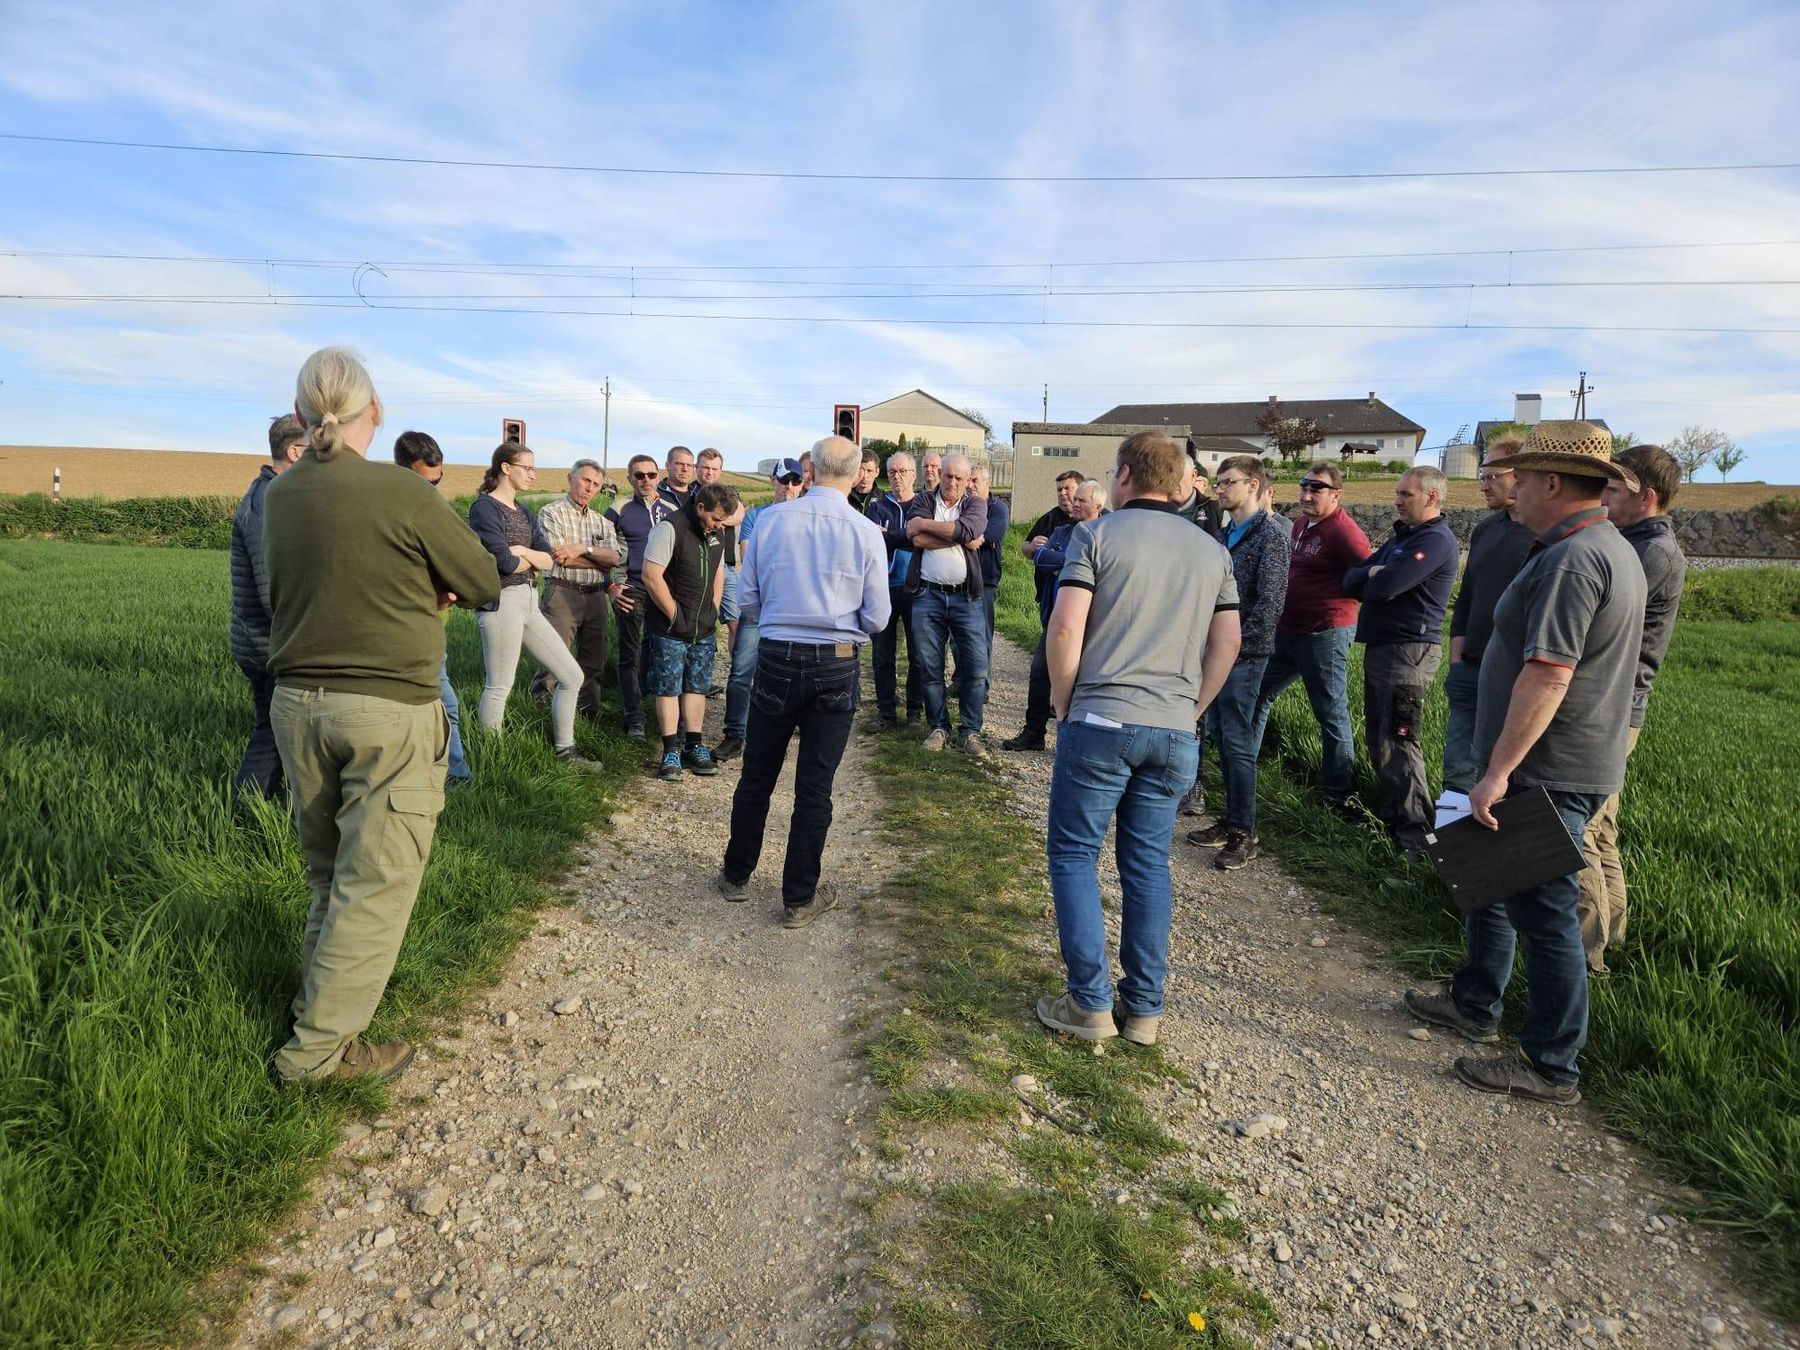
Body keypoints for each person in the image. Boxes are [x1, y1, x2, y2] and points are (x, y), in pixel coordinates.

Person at [263, 346, 500, 1084]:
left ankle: (317, 1010)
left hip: (298, 705)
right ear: (378, 414)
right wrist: (432, 584)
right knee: (376, 887)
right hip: (387, 709)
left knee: (330, 876)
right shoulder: (401, 492)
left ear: (301, 416)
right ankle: (315, 1056)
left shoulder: (279, 493)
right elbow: (483, 578)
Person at [1405, 422, 1645, 1105]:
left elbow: (1548, 673)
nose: (1512, 490)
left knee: (1545, 913)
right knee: (1490, 882)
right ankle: (1475, 1004)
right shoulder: (1596, 546)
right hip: (1554, 761)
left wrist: (1497, 771)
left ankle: (1551, 1064)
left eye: (1525, 478)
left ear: (1552, 482)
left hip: (1549, 765)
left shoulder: (1577, 558)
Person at [1034, 431, 1240, 1046]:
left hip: (1101, 718)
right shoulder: (1212, 551)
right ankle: (1144, 1011)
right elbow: (1227, 643)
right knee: (1148, 863)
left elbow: (1067, 627)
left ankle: (1090, 1004)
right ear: (1180, 483)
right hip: (1174, 726)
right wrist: (1193, 707)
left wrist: (1064, 701)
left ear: (1124, 476)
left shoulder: (1094, 535)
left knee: (1074, 854)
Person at [717, 435, 889, 928]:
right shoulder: (864, 530)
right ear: (859, 474)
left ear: (810, 468)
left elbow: (748, 600)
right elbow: (877, 617)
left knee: (758, 773)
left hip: (776, 654)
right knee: (815, 785)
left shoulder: (770, 522)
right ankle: (798, 897)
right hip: (835, 659)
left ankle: (736, 873)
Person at [1579, 444, 1688, 974]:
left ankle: (1585, 957)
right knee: (1600, 828)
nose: (1604, 499)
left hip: (1611, 707)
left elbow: (1604, 622)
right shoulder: (1639, 544)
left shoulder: (1650, 553)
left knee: (1578, 831)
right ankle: (1612, 938)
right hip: (1619, 706)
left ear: (1646, 496)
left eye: (1614, 490)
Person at [1344, 466, 1459, 859]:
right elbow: (1352, 579)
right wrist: (1375, 573)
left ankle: (1416, 839)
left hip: (1408, 653)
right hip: (1384, 649)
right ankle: (1396, 822)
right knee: (1379, 740)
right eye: (1397, 493)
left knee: (1398, 741)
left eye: (1405, 494)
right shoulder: (1402, 540)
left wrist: (1376, 576)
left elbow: (1387, 585)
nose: (1396, 500)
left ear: (1431, 497)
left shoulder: (1436, 541)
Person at [1186, 456, 1290, 870]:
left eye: (1229, 482)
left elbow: (1269, 606)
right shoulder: (1225, 534)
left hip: (1245, 656)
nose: (1219, 489)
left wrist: (1234, 646)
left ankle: (1245, 831)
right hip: (1217, 651)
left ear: (1253, 485)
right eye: (1220, 482)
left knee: (1238, 741)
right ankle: (1229, 820)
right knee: (1220, 736)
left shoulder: (1271, 537)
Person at [1248, 461, 1370, 813]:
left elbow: (1367, 574)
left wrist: (1339, 604)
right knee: (1259, 695)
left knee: (1330, 714)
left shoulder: (1343, 531)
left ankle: (1337, 794)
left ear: (1336, 495)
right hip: (1288, 630)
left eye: (1316, 488)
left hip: (1324, 633)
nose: (1307, 494)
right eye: (1304, 487)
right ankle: (1244, 767)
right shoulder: (1301, 525)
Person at [468, 443, 597, 767]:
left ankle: (566, 752)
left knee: (571, 676)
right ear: (506, 468)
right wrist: (524, 557)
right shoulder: (485, 508)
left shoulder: (523, 511)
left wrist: (522, 553)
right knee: (500, 686)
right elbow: (504, 562)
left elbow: (548, 559)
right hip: (501, 603)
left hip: (529, 601)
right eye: (527, 467)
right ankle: (491, 761)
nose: (532, 474)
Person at [1442, 436, 1533, 795]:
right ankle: (1451, 848)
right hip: (1471, 668)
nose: (1483, 485)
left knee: (1506, 779)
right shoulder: (1485, 530)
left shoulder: (1544, 537)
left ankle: (1498, 848)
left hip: (1515, 674)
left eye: (1493, 476)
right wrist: (1456, 660)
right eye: (1483, 476)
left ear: (1522, 475)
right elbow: (1467, 597)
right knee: (1458, 771)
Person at [229, 413, 306, 797]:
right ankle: (250, 814)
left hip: (267, 641)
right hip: (270, 644)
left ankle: (254, 813)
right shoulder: (268, 501)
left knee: (273, 732)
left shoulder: (268, 494)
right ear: (295, 451)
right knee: (275, 734)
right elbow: (271, 588)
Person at [642, 481, 739, 781]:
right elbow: (651, 575)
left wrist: (713, 606)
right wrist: (674, 615)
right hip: (670, 627)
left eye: (723, 521)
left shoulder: (717, 534)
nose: (718, 525)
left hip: (704, 627)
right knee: (668, 687)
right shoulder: (669, 529)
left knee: (697, 686)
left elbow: (719, 572)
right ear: (699, 508)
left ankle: (694, 746)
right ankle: (670, 750)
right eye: (714, 519)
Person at [394, 430, 473, 786]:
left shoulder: (431, 509)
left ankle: (446, 772)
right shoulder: (390, 512)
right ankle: (451, 774)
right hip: (404, 628)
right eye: (426, 481)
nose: (432, 488)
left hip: (432, 627)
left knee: (441, 706)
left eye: (438, 480)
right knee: (440, 706)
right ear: (404, 471)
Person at [1003, 478, 1105, 752]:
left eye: (1081, 500)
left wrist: (1067, 562)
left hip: (1094, 620)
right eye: (1074, 499)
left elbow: (1101, 568)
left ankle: (1076, 741)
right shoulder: (1062, 530)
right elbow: (1040, 557)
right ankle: (1034, 732)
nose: (1074, 503)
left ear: (1098, 505)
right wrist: (1076, 562)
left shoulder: (1109, 532)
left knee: (1084, 678)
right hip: (1057, 614)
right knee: (1040, 672)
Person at [904, 452, 990, 756]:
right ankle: (939, 727)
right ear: (940, 475)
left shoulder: (975, 504)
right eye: (947, 475)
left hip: (966, 598)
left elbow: (970, 529)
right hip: (927, 596)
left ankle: (970, 732)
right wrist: (960, 536)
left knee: (976, 668)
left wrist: (929, 529)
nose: (952, 482)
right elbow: (913, 536)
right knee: (929, 667)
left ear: (968, 481)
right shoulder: (925, 501)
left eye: (958, 478)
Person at [719, 459, 805, 759]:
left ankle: (783, 727)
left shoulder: (808, 517)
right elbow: (749, 557)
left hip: (794, 608)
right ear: (773, 481)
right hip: (759, 607)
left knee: (793, 671)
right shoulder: (756, 516)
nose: (790, 487)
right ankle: (734, 733)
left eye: (796, 481)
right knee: (742, 670)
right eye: (785, 480)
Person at [532, 459, 624, 721]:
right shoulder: (551, 513)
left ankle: (587, 717)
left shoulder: (601, 522)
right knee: (552, 660)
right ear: (570, 478)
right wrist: (598, 559)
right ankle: (542, 717)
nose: (589, 488)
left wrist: (584, 549)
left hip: (595, 595)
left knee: (593, 661)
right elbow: (560, 557)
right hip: (562, 591)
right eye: (585, 480)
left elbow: (615, 559)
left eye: (595, 484)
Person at [605, 454, 664, 738]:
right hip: (631, 588)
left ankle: (663, 712)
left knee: (662, 650)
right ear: (630, 479)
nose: (646, 481)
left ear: (658, 477)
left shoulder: (671, 508)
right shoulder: (618, 509)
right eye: (639, 476)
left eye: (651, 475)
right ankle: (635, 718)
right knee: (629, 653)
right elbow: (603, 553)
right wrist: (612, 587)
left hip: (663, 589)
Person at [864, 451, 925, 729]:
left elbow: (922, 539)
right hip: (883, 588)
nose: (897, 477)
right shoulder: (877, 505)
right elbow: (873, 540)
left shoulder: (924, 504)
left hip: (916, 587)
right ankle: (886, 713)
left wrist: (890, 536)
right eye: (892, 472)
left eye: (902, 471)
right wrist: (908, 536)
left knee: (918, 655)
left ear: (914, 474)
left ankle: (915, 711)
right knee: (882, 655)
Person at [695, 448, 744, 671]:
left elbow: (739, 514)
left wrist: (712, 518)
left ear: (721, 470)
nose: (709, 473)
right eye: (705, 467)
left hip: (725, 565)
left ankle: (738, 670)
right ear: (697, 467)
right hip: (696, 565)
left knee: (736, 621)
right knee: (700, 623)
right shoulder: (689, 493)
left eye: (714, 468)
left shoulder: (729, 492)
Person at [971, 463, 1010, 646]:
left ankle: (984, 676)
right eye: (968, 480)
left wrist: (961, 533)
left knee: (982, 635)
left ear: (987, 483)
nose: (970, 485)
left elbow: (991, 534)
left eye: (975, 480)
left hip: (986, 579)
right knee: (959, 638)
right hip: (962, 580)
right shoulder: (964, 506)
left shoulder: (998, 508)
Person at [1174, 447, 1224, 536]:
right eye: (1167, 475)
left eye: (1178, 474)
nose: (1172, 481)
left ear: (1193, 475)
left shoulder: (1214, 509)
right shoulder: (1157, 508)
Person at [658, 445, 697, 513]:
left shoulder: (697, 497)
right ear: (667, 465)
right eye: (679, 464)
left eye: (689, 465)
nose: (685, 469)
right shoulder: (654, 495)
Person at [849, 447, 881, 514]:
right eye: (860, 470)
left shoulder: (884, 499)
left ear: (877, 472)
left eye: (869, 471)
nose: (864, 476)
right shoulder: (844, 496)